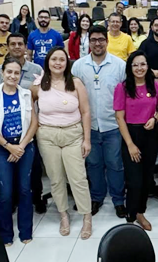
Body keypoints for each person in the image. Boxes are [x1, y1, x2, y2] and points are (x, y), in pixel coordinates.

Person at [34, 47, 93, 239]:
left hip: (73, 134)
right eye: (54, 59)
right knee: (56, 179)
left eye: (62, 59)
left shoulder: (75, 83)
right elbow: (28, 107)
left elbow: (85, 112)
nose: (58, 63)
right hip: (47, 136)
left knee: (78, 179)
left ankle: (86, 217)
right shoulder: (39, 85)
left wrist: (87, 140)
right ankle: (64, 216)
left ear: (67, 63)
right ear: (48, 62)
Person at [71, 25, 127, 218]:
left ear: (107, 40)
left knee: (115, 164)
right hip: (89, 127)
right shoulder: (78, 66)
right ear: (89, 42)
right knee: (93, 164)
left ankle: (119, 200)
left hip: (113, 125)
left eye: (101, 39)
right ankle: (97, 198)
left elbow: (127, 95)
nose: (97, 43)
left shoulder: (120, 65)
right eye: (93, 40)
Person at [0, 56, 38, 246]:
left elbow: (34, 122)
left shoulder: (26, 94)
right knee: (6, 193)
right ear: (2, 73)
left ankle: (26, 231)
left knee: (24, 189)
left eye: (16, 72)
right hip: (3, 148)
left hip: (24, 147)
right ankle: (5, 234)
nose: (13, 76)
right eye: (9, 72)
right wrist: (9, 147)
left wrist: (20, 147)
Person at [114, 51, 158, 231]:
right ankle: (132, 212)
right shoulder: (123, 87)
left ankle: (140, 211)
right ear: (130, 68)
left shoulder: (154, 85)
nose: (139, 68)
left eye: (143, 64)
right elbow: (119, 118)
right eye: (135, 65)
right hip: (131, 135)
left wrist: (155, 118)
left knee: (147, 177)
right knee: (134, 180)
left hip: (150, 135)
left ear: (147, 66)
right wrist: (130, 144)